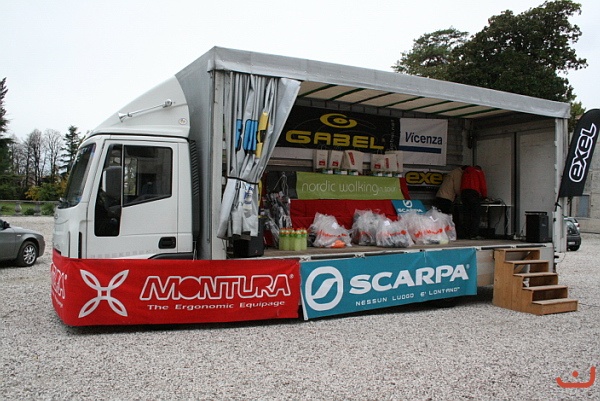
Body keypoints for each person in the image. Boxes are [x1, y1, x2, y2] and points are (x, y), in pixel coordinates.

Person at [460, 165, 487, 239]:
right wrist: (484, 196)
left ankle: (466, 234)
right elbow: (482, 184)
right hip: (473, 193)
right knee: (475, 214)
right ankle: (474, 234)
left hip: (464, 193)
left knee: (466, 214)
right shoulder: (478, 172)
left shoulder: (465, 172)